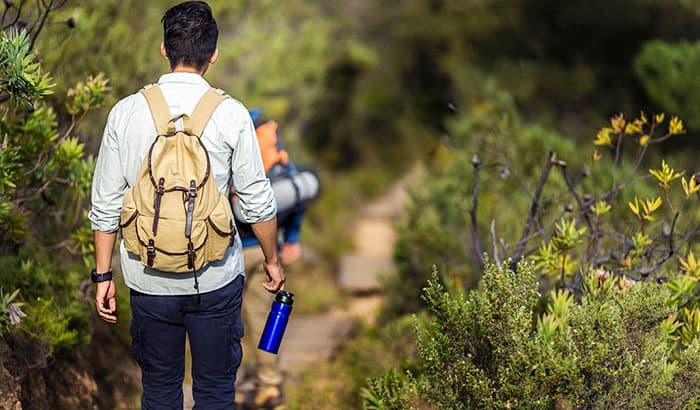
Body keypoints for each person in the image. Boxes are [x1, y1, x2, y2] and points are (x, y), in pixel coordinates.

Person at [88, 2, 285, 409]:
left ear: (164, 49)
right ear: (213, 54)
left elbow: (105, 204)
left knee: (160, 390)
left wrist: (103, 275)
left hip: (148, 278)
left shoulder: (126, 113)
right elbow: (257, 202)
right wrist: (272, 260)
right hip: (215, 280)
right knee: (214, 391)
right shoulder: (231, 114)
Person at [235, 112, 305, 410]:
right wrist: (292, 237)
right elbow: (297, 197)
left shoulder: (234, 149)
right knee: (263, 321)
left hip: (232, 253)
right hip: (266, 252)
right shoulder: (277, 155)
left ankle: (234, 388)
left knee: (228, 324)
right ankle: (270, 387)